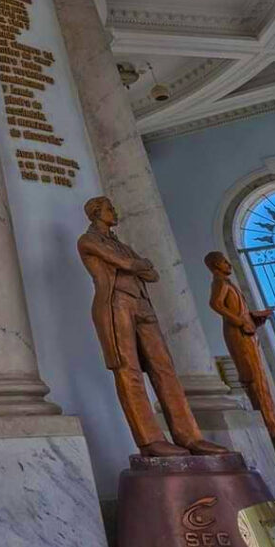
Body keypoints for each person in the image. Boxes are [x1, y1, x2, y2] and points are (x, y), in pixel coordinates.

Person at [78, 196, 229, 457]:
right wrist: (138, 264)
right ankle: (150, 440)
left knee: (165, 369)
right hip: (115, 304)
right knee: (129, 371)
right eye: (109, 209)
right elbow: (128, 264)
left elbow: (152, 274)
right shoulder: (88, 241)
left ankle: (189, 436)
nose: (115, 212)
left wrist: (138, 265)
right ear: (96, 213)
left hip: (142, 304)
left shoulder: (121, 245)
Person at [205, 250, 275, 449]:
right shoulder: (219, 282)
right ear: (217, 264)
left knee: (260, 380)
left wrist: (252, 317)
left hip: (247, 332)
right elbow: (215, 304)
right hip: (239, 333)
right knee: (254, 379)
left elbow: (235, 308)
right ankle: (273, 432)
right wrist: (239, 321)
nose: (229, 264)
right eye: (225, 262)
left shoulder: (227, 283)